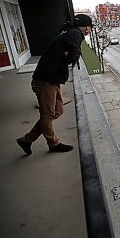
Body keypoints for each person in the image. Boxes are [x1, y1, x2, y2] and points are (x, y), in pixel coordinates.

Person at [16, 14, 93, 155]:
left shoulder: (67, 32)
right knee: (47, 115)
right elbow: (75, 53)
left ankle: (27, 140)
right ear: (82, 26)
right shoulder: (74, 33)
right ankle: (53, 143)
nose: (89, 30)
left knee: (57, 111)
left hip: (52, 80)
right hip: (46, 81)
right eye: (88, 27)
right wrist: (69, 58)